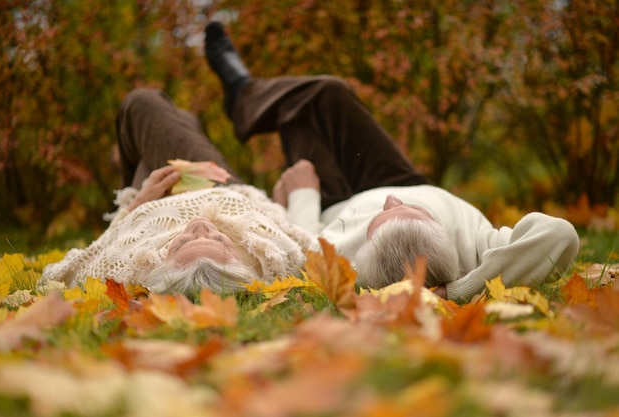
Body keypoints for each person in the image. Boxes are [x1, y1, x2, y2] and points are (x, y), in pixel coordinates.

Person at [203, 21, 580, 301]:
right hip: (403, 178)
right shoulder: (480, 249)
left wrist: (303, 194)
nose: (390, 202)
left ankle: (242, 91)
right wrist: (458, 291)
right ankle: (243, 94)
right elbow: (559, 235)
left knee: (299, 115)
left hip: (333, 199)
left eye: (382, 216)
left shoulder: (345, 265)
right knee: (331, 92)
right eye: (411, 212)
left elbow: (305, 246)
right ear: (442, 235)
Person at [41, 88, 315, 297]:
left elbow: (57, 276)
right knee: (160, 114)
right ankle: (146, 143)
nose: (200, 225)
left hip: (149, 201)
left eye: (183, 243)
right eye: (220, 239)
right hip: (218, 188)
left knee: (142, 104)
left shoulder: (125, 270)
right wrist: (286, 203)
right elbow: (301, 237)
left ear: (163, 269)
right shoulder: (272, 262)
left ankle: (128, 153)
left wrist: (135, 205)